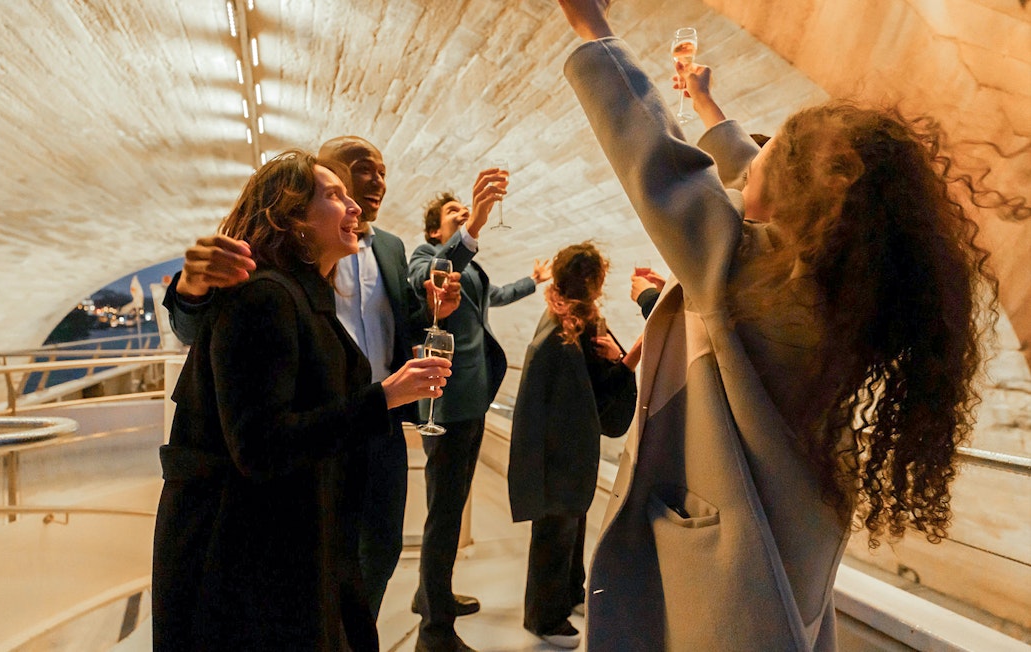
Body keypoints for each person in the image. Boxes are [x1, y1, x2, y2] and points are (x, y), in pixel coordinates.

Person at [556, 1, 994, 649]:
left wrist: (594, 31)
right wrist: (707, 106)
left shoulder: (745, 274)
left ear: (803, 189)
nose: (752, 156)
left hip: (727, 575)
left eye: (773, 148)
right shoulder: (833, 296)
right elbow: (741, 182)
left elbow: (662, 168)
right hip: (792, 542)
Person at [152, 150, 452, 651]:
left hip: (293, 527)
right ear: (289, 219)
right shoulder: (265, 297)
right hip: (246, 555)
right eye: (334, 195)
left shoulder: (302, 292)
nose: (354, 204)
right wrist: (384, 396)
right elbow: (261, 446)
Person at [407, 171, 552, 652]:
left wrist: (533, 281)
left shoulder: (470, 270)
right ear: (435, 230)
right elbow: (431, 280)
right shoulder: (425, 257)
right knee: (444, 515)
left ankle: (432, 596)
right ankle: (434, 631)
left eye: (466, 215)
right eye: (456, 215)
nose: (466, 217)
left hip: (471, 401)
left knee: (448, 508)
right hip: (445, 404)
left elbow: (493, 298)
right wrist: (472, 230)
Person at [508, 241, 634, 649]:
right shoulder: (558, 334)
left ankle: (569, 594)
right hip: (557, 454)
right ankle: (544, 618)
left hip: (568, 451)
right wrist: (625, 363)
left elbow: (594, 388)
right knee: (555, 533)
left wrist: (620, 361)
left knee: (571, 526)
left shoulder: (578, 320)